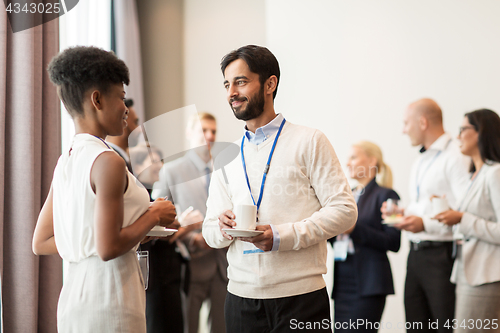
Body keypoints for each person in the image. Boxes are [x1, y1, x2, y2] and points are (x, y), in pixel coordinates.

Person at [202, 45, 357, 332]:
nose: (231, 93)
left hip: (301, 299)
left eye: (240, 81)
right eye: (227, 84)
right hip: (240, 299)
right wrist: (222, 227)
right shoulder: (225, 155)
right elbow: (209, 231)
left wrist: (281, 237)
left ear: (270, 84)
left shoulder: (309, 141)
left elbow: (345, 211)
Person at [31, 46, 177, 332]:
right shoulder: (107, 160)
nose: (126, 108)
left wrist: (105, 241)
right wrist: (154, 215)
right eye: (121, 98)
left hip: (74, 296)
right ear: (97, 99)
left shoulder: (67, 160)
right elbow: (108, 247)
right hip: (110, 297)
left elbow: (42, 241)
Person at [383, 98, 470, 333]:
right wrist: (404, 213)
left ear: (422, 122)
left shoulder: (456, 156)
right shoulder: (421, 159)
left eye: (406, 123)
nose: (403, 130)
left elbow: (466, 211)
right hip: (416, 255)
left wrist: (425, 224)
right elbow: (425, 205)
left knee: (444, 325)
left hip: (441, 256)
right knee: (416, 325)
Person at [152, 112, 228, 333]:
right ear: (189, 133)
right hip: (189, 265)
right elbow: (156, 219)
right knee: (187, 328)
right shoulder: (171, 171)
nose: (210, 136)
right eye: (203, 130)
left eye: (213, 131)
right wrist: (191, 237)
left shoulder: (225, 171)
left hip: (222, 265)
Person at [434, 109, 500, 332]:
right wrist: (452, 214)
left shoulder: (495, 173)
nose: (458, 135)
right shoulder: (475, 175)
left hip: (486, 274)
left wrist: (461, 218)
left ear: (481, 132)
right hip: (466, 271)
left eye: (463, 129)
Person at [330, 141, 400, 332]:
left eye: (353, 157)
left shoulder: (388, 195)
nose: (348, 163)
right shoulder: (347, 196)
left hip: (369, 282)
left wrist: (354, 229)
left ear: (371, 161)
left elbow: (394, 242)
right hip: (343, 279)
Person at [106, 98, 139, 172]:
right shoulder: (112, 161)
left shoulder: (122, 159)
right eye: (135, 123)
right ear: (122, 123)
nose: (139, 130)